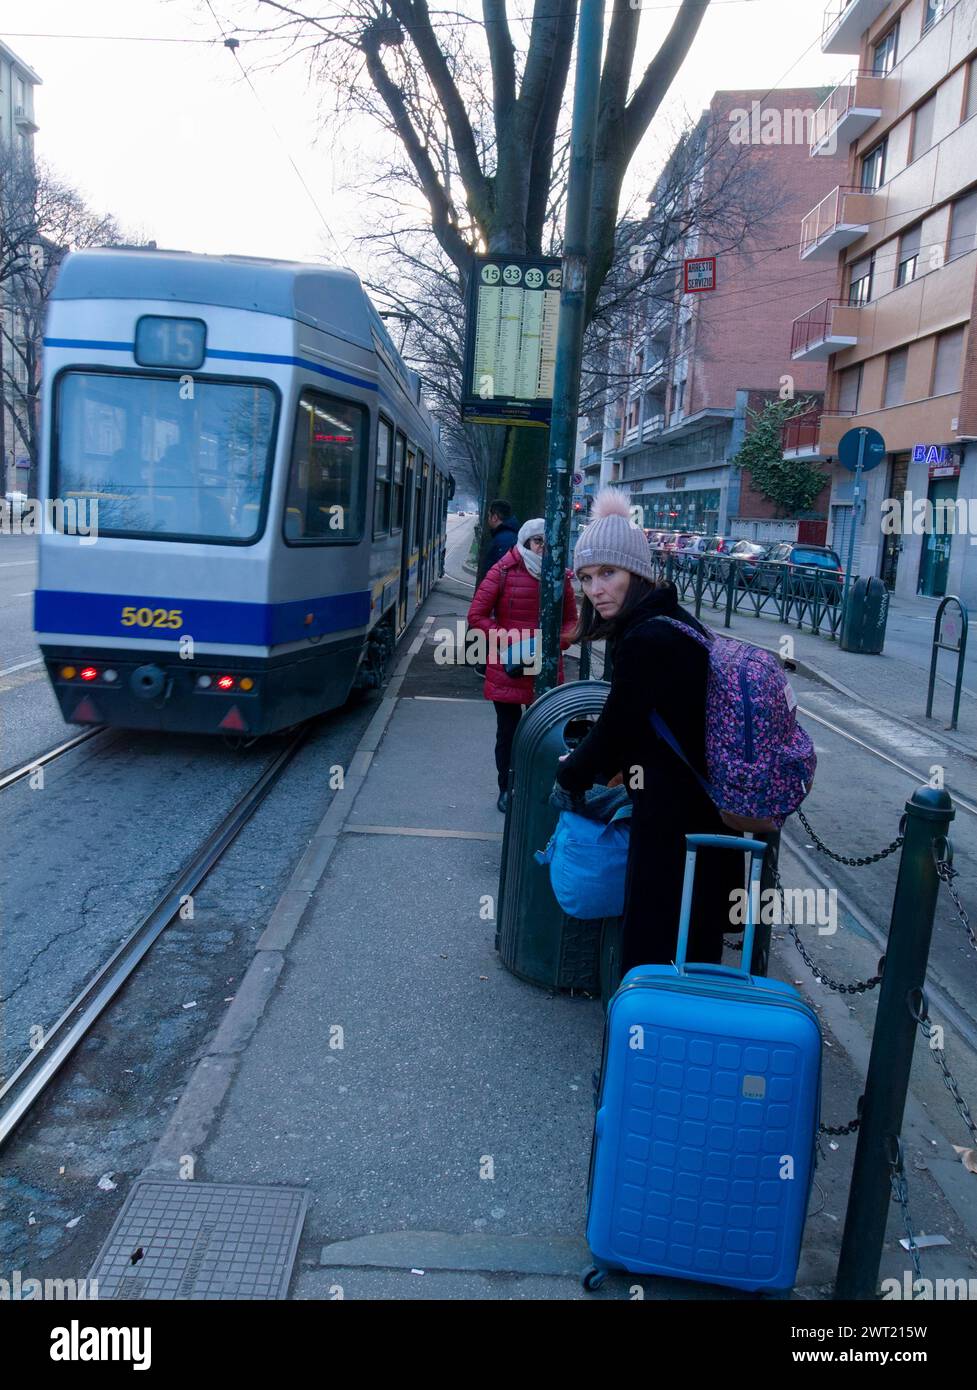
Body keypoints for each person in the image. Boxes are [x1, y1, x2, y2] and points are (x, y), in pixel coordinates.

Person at [554, 487, 743, 971]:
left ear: (637, 573)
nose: (597, 589)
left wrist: (572, 773)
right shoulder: (673, 622)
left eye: (609, 573)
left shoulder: (645, 638)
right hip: (702, 816)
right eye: (588, 577)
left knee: (656, 946)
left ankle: (650, 1040)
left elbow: (619, 725)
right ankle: (673, 1035)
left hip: (675, 823)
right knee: (692, 945)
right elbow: (647, 719)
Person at [467, 518, 578, 813]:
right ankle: (507, 789)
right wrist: (509, 640)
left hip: (545, 667)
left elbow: (571, 621)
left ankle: (539, 789)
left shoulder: (560, 576)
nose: (542, 547)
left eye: (547, 541)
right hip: (509, 667)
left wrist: (558, 644)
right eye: (537, 541)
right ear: (526, 541)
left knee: (546, 734)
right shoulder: (504, 569)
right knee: (508, 733)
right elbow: (476, 615)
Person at [482, 500, 520, 572]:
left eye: (489, 515)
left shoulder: (503, 540)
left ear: (494, 518)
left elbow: (502, 571)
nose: (488, 519)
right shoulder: (508, 535)